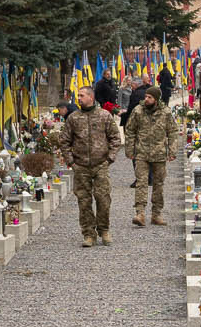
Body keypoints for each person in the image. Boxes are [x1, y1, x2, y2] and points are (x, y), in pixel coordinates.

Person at [53, 85, 118, 247]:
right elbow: (64, 141)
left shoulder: (104, 116)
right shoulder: (73, 118)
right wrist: (71, 162)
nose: (79, 98)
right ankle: (89, 233)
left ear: (91, 97)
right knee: (84, 201)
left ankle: (104, 230)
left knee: (103, 199)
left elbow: (115, 138)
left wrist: (109, 158)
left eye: (82, 95)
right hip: (80, 165)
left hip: (100, 164)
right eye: (79, 96)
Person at [126, 86, 177, 226]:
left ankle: (156, 213)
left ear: (156, 99)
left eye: (150, 97)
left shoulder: (165, 112)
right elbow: (130, 130)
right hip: (141, 153)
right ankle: (140, 213)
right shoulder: (138, 111)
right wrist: (129, 150)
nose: (146, 99)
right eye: (146, 97)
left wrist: (172, 151)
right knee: (141, 183)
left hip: (159, 154)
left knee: (158, 185)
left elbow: (172, 132)